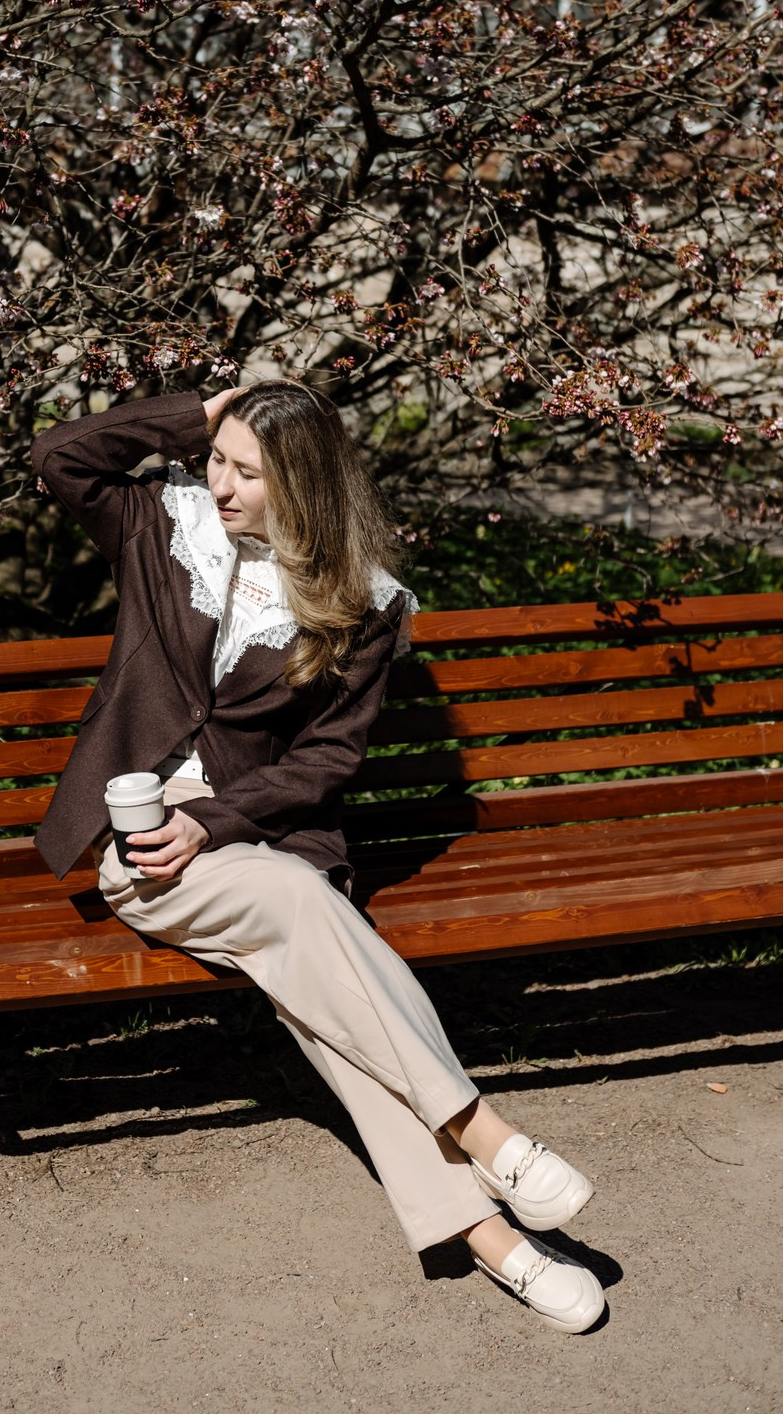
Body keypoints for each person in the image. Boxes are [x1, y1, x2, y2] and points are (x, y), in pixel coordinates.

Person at [30, 383, 605, 1334]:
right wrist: (199, 415)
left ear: (300, 484)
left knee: (328, 994)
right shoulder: (158, 521)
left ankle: (497, 1245)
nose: (219, 484)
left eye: (246, 472)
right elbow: (60, 455)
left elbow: (327, 759)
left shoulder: (360, 601)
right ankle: (489, 1137)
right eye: (219, 460)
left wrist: (215, 820)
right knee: (307, 913)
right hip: (140, 842)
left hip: (252, 833)